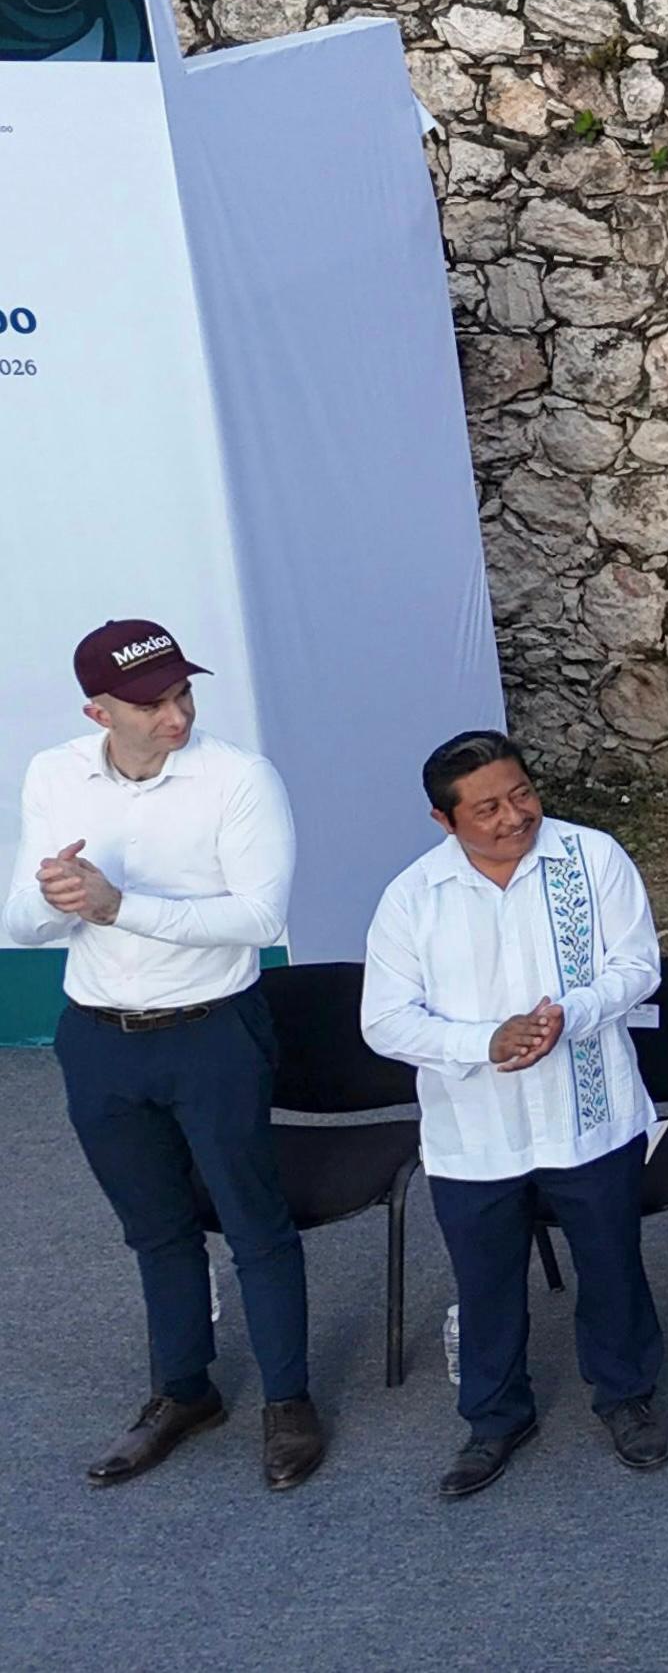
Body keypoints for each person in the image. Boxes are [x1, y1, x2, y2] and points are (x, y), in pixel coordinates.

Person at [4, 621, 323, 1491]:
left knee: (254, 1223)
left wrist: (117, 906)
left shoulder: (240, 780)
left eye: (184, 692)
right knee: (154, 1229)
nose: (176, 714)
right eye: (152, 702)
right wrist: (53, 896)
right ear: (97, 709)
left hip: (213, 1029)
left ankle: (288, 1400)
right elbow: (19, 924)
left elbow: (260, 918)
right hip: (99, 1038)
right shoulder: (54, 775)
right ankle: (183, 1391)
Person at [360, 733, 668, 1498]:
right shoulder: (412, 897)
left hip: (588, 1110)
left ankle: (625, 1394)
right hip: (474, 1130)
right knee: (487, 1277)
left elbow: (638, 966)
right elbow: (384, 1021)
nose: (514, 816)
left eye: (522, 793)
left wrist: (570, 1013)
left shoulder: (591, 858)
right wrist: (482, 1042)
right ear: (444, 818)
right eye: (488, 807)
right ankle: (495, 1417)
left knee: (610, 1262)